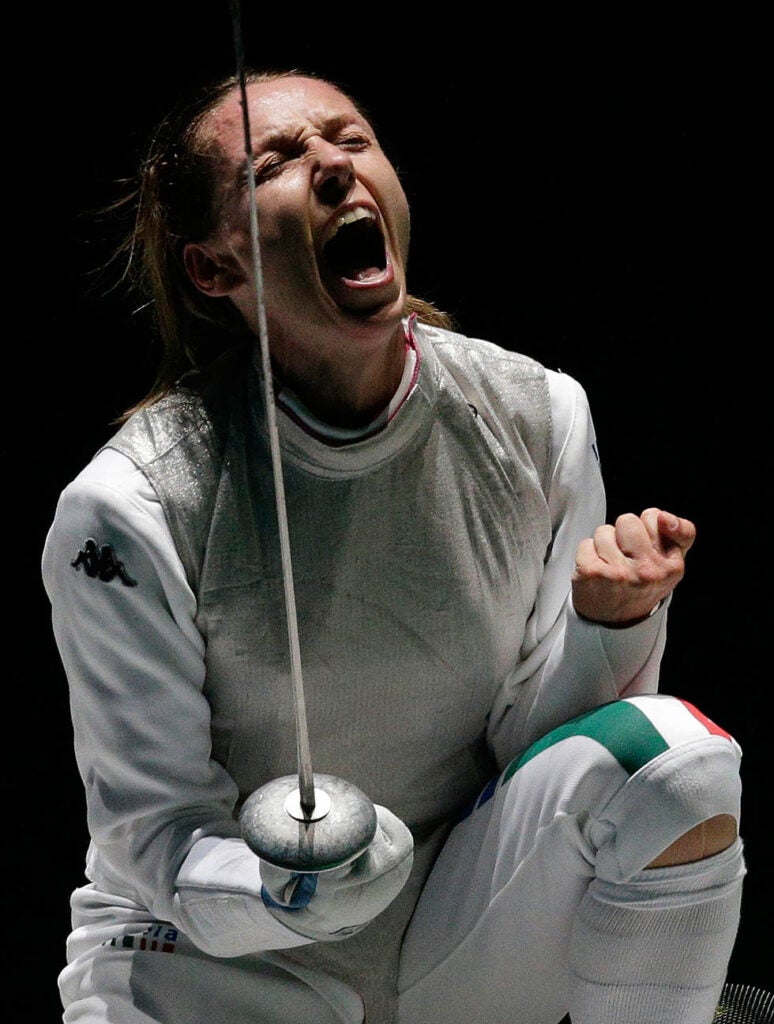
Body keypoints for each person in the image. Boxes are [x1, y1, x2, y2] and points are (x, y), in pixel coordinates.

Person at [42, 69, 746, 1024]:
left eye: (351, 139)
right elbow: (154, 836)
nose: (333, 166)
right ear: (214, 269)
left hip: (453, 932)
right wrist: (290, 887)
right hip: (216, 967)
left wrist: (605, 629)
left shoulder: (535, 417)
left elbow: (533, 757)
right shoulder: (134, 506)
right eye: (277, 164)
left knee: (672, 760)